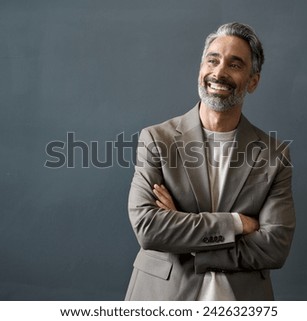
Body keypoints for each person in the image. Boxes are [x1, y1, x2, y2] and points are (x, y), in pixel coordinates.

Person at [125, 22, 295, 300]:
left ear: (253, 81)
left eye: (235, 64)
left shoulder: (274, 155)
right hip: (161, 296)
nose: (219, 72)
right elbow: (149, 229)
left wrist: (183, 229)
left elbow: (274, 247)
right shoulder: (157, 139)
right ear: (200, 69)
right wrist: (236, 224)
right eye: (212, 60)